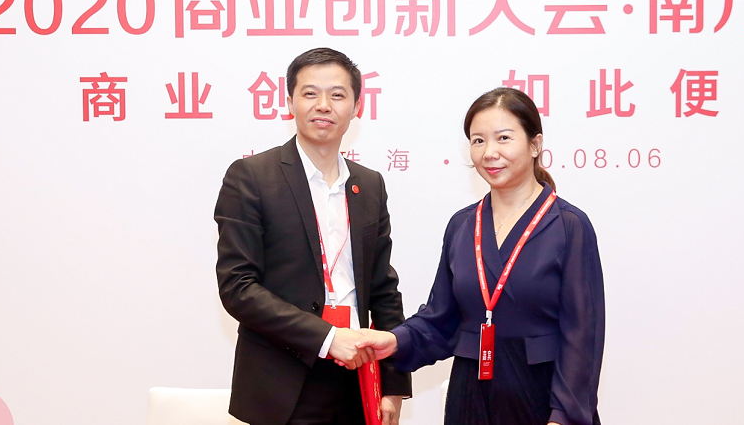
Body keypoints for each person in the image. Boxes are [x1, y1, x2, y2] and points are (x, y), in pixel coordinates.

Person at [356, 87, 604, 425]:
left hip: (543, 397)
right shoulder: (462, 225)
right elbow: (441, 319)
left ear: (535, 145)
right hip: (470, 395)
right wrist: (394, 339)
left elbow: (582, 336)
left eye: (503, 138)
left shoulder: (568, 225)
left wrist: (562, 417)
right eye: (478, 141)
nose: (489, 153)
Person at [214, 48, 411, 425]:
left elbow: (383, 288)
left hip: (358, 377)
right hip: (281, 382)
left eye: (337, 94)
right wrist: (328, 337)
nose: (324, 105)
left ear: (356, 106)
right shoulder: (252, 177)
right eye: (310, 93)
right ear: (290, 102)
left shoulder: (369, 184)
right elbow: (238, 286)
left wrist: (393, 383)